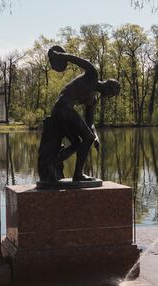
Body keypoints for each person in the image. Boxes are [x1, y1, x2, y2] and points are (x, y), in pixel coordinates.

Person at [37, 45, 121, 183]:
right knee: (86, 139)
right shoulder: (92, 76)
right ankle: (77, 175)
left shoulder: (92, 99)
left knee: (77, 142)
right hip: (63, 107)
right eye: (112, 93)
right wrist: (59, 55)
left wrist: (96, 137)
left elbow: (90, 123)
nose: (110, 96)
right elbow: (78, 60)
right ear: (108, 85)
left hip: (62, 111)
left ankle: (52, 163)